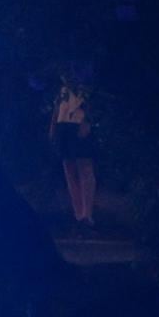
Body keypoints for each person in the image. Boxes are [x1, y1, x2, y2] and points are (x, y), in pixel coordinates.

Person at [52, 76, 97, 229]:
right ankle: (78, 214)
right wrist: (53, 125)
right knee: (69, 168)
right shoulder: (63, 82)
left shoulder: (84, 79)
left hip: (78, 122)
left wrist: (87, 121)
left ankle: (87, 213)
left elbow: (90, 101)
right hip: (63, 124)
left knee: (85, 167)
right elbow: (58, 104)